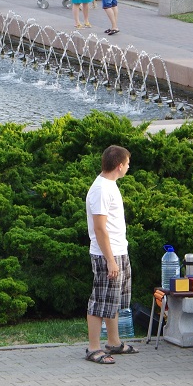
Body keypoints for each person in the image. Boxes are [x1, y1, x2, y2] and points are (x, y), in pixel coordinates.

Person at [84, 144, 138, 364]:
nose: (128, 167)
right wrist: (110, 260)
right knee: (99, 301)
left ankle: (114, 342)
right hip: (106, 255)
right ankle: (93, 348)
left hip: (118, 251)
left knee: (113, 300)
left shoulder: (110, 184)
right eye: (127, 163)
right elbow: (99, 228)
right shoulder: (101, 190)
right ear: (119, 166)